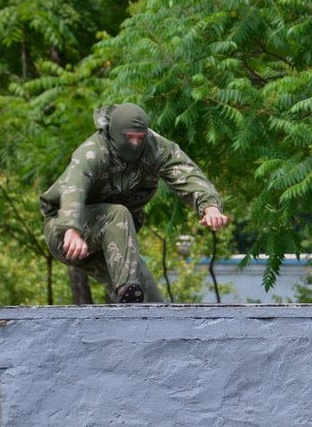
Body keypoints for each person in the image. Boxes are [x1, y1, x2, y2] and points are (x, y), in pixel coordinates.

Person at [40, 103, 229, 303]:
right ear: (115, 134)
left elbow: (186, 172)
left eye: (140, 137)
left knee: (148, 297)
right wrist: (70, 228)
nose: (136, 144)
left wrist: (209, 206)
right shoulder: (93, 152)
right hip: (64, 232)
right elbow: (74, 187)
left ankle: (136, 303)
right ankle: (127, 292)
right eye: (129, 137)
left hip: (115, 237)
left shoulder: (154, 146)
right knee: (118, 214)